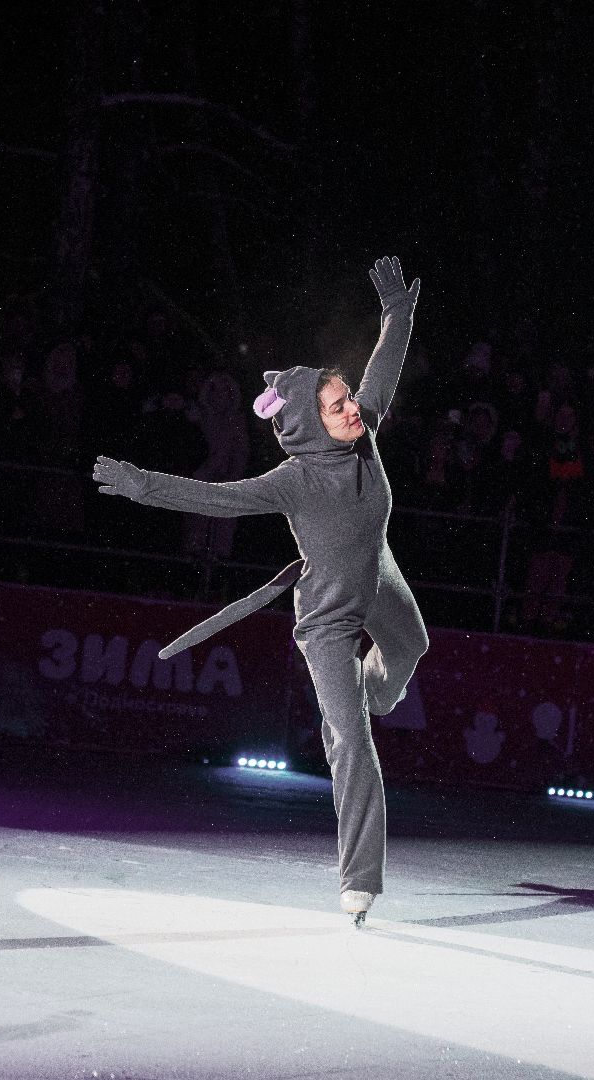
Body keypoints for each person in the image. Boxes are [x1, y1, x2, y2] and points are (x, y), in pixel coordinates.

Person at [94, 257, 425, 926]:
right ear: (308, 424)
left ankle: (369, 693)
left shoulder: (365, 435)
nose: (353, 409)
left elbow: (383, 370)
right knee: (351, 742)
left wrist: (396, 313)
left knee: (412, 646)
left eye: (348, 399)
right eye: (337, 406)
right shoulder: (292, 480)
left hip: (378, 573)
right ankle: (360, 878)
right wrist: (142, 486)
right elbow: (212, 498)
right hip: (328, 617)